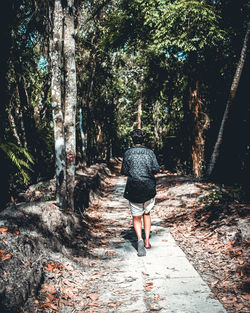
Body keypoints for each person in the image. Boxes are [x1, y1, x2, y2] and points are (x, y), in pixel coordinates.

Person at [121, 128, 160, 256]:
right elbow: (156, 170)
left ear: (133, 139)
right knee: (147, 213)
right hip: (148, 187)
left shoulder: (128, 153)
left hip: (133, 187)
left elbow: (125, 171)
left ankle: (139, 240)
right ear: (144, 139)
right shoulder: (150, 153)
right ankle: (148, 241)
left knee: (136, 216)